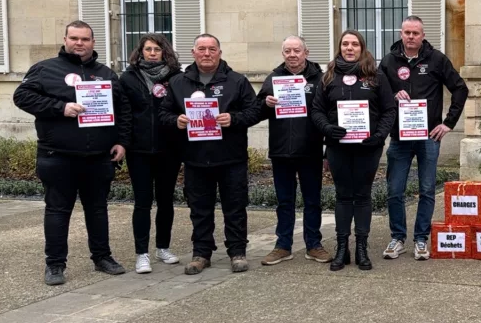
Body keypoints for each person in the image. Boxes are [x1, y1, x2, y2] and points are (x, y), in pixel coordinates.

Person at [13, 20, 132, 285]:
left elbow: (123, 111)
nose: (79, 43)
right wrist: (61, 108)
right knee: (57, 211)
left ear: (93, 42)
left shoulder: (106, 74)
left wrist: (122, 142)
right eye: (74, 38)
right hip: (57, 156)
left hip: (98, 157)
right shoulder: (45, 69)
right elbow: (22, 97)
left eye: (85, 39)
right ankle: (55, 265)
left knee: (97, 210)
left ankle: (102, 257)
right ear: (65, 39)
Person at [159, 34, 262, 275]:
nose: (207, 53)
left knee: (235, 208)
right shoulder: (178, 82)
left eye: (212, 49)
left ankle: (237, 252)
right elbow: (163, 114)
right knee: (199, 209)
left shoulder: (237, 81)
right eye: (202, 49)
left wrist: (234, 118)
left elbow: (255, 111)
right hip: (195, 158)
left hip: (231, 158)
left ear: (219, 53)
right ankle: (201, 253)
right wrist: (176, 120)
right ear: (193, 53)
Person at [380, 16, 467, 260]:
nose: (410, 37)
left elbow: (460, 88)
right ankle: (398, 238)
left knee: (427, 189)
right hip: (399, 137)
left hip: (428, 136)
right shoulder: (388, 61)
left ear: (423, 35)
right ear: (400, 33)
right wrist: (392, 94)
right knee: (395, 190)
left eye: (415, 33)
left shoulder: (437, 59)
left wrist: (448, 123)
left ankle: (421, 239)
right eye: (407, 32)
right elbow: (377, 92)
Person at [311, 30, 397, 271]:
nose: (349, 48)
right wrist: (327, 128)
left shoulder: (376, 76)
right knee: (343, 196)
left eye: (354, 44)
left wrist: (379, 136)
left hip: (368, 148)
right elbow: (316, 110)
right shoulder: (328, 77)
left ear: (362, 48)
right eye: (345, 44)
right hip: (338, 147)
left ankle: (361, 248)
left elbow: (389, 110)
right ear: (340, 47)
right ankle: (342, 248)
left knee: (362, 195)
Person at [256, 36, 329, 266]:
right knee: (284, 202)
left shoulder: (320, 79)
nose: (292, 55)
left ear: (306, 52)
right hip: (281, 151)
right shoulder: (274, 78)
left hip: (310, 149)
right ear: (283, 54)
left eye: (296, 50)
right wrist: (265, 104)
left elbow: (329, 111)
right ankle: (283, 246)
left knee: (312, 201)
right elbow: (256, 111)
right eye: (287, 51)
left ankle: (314, 245)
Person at [119, 33, 184, 274]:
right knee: (142, 202)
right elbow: (124, 113)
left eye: (157, 49)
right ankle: (142, 253)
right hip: (139, 150)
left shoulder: (176, 77)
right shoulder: (128, 77)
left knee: (166, 201)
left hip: (169, 148)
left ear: (165, 51)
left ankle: (163, 247)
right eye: (148, 49)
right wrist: (123, 142)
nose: (153, 53)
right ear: (141, 52)